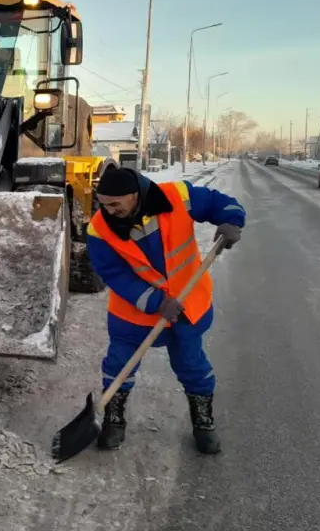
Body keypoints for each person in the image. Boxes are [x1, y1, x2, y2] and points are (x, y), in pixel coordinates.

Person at [86, 166, 246, 455]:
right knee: (119, 364)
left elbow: (214, 201)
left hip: (186, 305)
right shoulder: (98, 228)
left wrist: (231, 220)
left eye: (114, 204)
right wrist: (155, 301)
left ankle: (203, 422)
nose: (108, 210)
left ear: (133, 196)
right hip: (134, 312)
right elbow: (113, 273)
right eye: (103, 204)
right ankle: (114, 419)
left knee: (192, 365)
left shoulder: (176, 196)